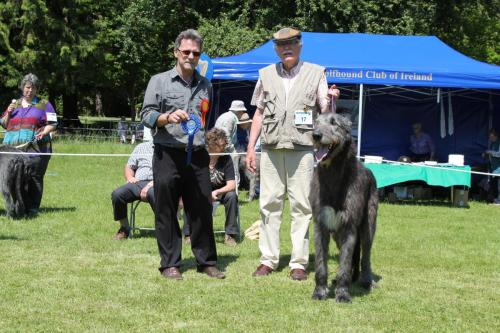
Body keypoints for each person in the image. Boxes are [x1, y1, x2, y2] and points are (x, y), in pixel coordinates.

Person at [246, 27, 340, 280]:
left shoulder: (316, 72)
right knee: (268, 205)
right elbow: (259, 113)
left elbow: (325, 109)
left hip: (302, 150)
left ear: (300, 45)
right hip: (271, 148)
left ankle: (298, 263)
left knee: (302, 206)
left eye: (291, 43)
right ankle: (268, 259)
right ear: (275, 49)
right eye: (280, 45)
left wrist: (332, 99)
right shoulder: (265, 74)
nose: (286, 48)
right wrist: (250, 148)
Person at [140, 29, 224, 280]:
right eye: (186, 51)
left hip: (197, 154)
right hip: (167, 153)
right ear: (176, 52)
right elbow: (146, 115)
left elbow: (207, 121)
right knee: (166, 210)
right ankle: (170, 264)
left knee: (201, 208)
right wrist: (166, 118)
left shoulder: (206, 85)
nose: (190, 56)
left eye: (195, 53)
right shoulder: (159, 81)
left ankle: (206, 261)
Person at [1, 73, 57, 216]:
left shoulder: (44, 104)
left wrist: (44, 132)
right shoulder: (15, 105)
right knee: (15, 179)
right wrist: (8, 112)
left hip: (36, 149)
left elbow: (53, 123)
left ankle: (32, 208)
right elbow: (3, 123)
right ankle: (20, 207)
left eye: (32, 88)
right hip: (12, 150)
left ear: (36, 89)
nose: (29, 91)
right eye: (27, 87)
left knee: (33, 178)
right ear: (22, 88)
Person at [183, 128, 240, 246]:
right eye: (222, 144)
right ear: (212, 144)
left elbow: (232, 185)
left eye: (225, 143)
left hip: (220, 193)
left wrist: (217, 192)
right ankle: (189, 234)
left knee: (232, 196)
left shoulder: (226, 158)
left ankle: (230, 235)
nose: (225, 146)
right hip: (201, 192)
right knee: (189, 196)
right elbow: (192, 181)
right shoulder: (200, 156)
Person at [111, 140, 154, 240]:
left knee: (155, 195)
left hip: (158, 183)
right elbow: (129, 166)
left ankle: (165, 230)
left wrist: (149, 186)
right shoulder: (141, 147)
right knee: (118, 194)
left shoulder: (168, 148)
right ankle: (124, 228)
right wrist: (130, 177)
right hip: (138, 182)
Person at [214, 100, 250, 190]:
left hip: (218, 149)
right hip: (226, 150)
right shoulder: (230, 118)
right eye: (242, 111)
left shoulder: (225, 116)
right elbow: (226, 137)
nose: (242, 113)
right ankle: (235, 197)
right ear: (239, 111)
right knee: (234, 174)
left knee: (221, 174)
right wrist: (233, 152)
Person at [484, 129, 500, 204]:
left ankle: (499, 200)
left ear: (495, 135)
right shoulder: (492, 143)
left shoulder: (499, 143)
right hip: (493, 168)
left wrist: (490, 152)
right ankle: (496, 199)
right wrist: (486, 154)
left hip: (498, 168)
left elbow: (499, 154)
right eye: (490, 137)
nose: (490, 138)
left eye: (492, 137)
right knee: (494, 185)